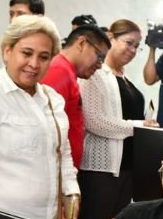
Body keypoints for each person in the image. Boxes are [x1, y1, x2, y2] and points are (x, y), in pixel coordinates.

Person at [0, 15, 80, 219]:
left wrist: (71, 190)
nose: (34, 64)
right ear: (7, 51)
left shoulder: (53, 99)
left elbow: (63, 152)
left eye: (44, 57)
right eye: (27, 53)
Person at [78, 19, 157, 219]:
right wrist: (139, 126)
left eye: (136, 46)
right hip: (102, 172)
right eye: (128, 42)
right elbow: (94, 121)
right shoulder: (94, 73)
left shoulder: (124, 76)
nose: (132, 50)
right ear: (111, 37)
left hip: (127, 169)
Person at [41, 25, 111, 169]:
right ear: (81, 43)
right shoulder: (59, 71)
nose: (99, 65)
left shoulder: (68, 72)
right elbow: (48, 132)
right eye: (99, 57)